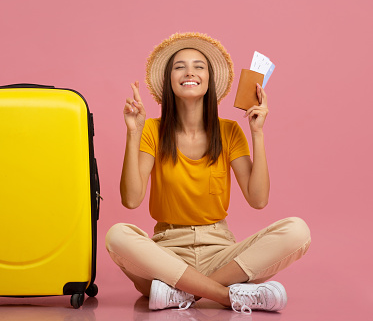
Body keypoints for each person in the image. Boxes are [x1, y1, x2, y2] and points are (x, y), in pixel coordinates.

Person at [105, 33, 311, 314]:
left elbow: (258, 199)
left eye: (198, 66)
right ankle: (227, 296)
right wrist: (133, 132)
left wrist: (257, 132)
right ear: (169, 81)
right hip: (166, 254)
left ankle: (180, 293)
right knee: (117, 235)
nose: (189, 71)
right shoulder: (152, 130)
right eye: (180, 66)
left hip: (221, 253)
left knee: (297, 231)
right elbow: (131, 199)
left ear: (210, 80)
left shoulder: (229, 131)